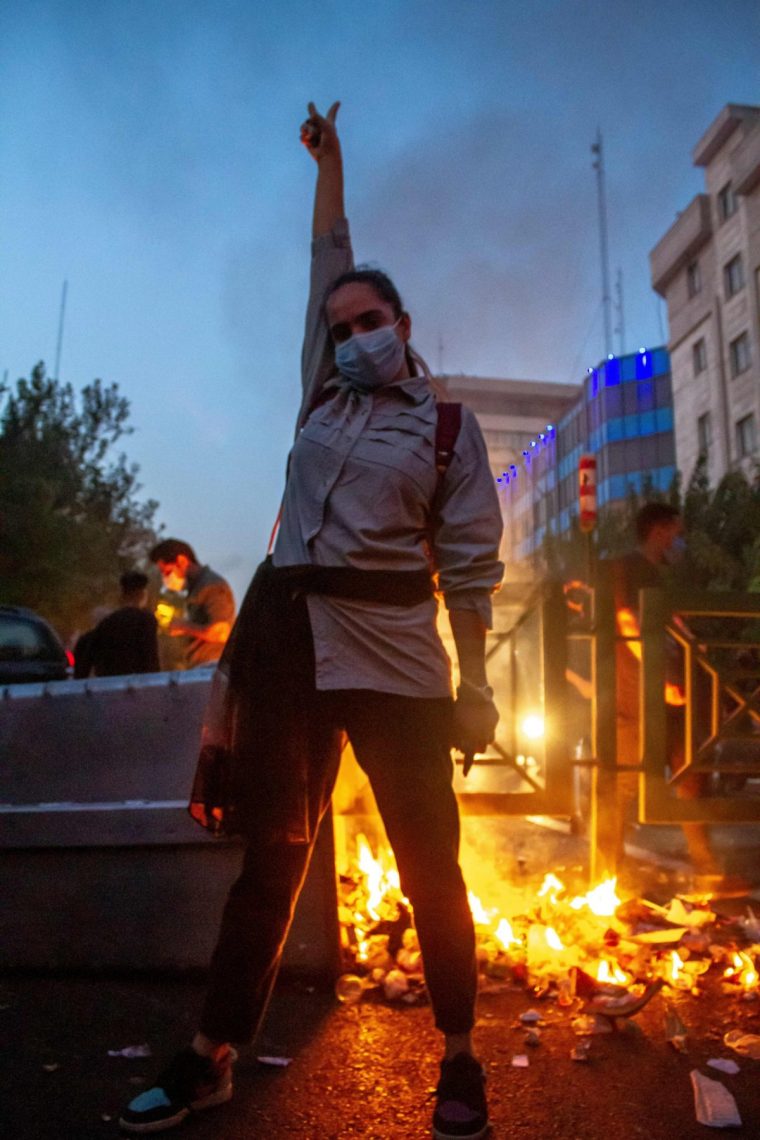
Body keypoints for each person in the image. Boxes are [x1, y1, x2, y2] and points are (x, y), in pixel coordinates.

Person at [119, 102, 503, 1140]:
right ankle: (210, 1059)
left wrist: (477, 683)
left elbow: (469, 571)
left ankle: (460, 1063)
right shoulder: (317, 404)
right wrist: (329, 166)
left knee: (432, 868)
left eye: (368, 321)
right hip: (291, 654)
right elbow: (323, 255)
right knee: (272, 867)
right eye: (337, 329)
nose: (350, 337)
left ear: (404, 326)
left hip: (401, 667)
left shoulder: (450, 431)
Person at [611, 501, 718, 878]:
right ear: (659, 530)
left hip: (670, 694)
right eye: (676, 532)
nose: (679, 541)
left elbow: (669, 620)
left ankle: (705, 866)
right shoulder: (630, 567)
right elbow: (628, 622)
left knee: (690, 773)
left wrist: (691, 643)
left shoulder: (658, 574)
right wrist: (660, 676)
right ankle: (609, 871)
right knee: (625, 782)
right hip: (639, 694)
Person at [149, 539, 235, 669]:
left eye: (167, 572)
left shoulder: (212, 585)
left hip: (211, 667)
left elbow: (221, 633)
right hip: (201, 667)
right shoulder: (196, 588)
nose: (166, 579)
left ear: (182, 561)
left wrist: (183, 626)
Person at [73, 572, 159, 677]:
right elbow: (151, 659)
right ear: (142, 595)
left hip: (110, 686)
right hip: (137, 687)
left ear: (122, 595)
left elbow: (85, 652)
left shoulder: (107, 623)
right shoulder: (146, 620)